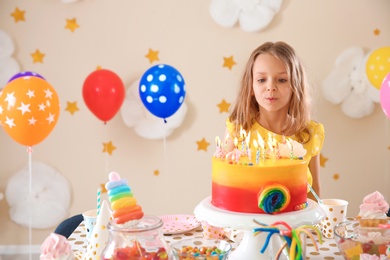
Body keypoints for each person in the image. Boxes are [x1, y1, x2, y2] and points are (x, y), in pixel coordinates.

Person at [224, 41, 324, 201]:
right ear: (250, 86)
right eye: (262, 80)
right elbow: (226, 185)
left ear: (295, 86)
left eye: (282, 80)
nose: (271, 87)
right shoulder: (238, 130)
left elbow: (314, 191)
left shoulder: (309, 134)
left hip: (296, 224)